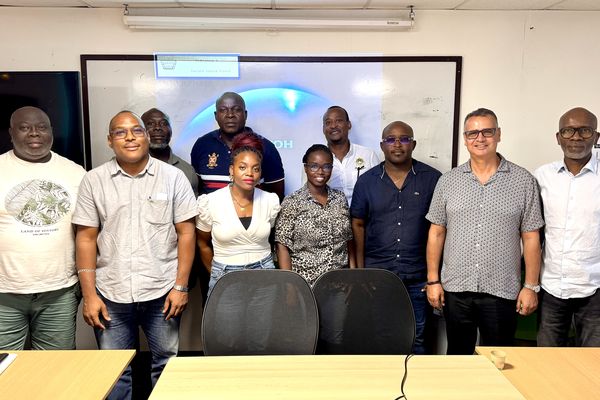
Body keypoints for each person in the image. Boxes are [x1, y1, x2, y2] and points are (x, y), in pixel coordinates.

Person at [72, 110, 197, 399]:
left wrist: (180, 287)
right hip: (110, 293)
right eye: (120, 132)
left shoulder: (173, 177)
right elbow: (86, 238)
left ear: (145, 136)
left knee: (167, 364)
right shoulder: (94, 181)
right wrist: (90, 296)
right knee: (114, 369)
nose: (130, 137)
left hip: (161, 291)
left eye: (136, 131)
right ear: (109, 140)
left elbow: (187, 233)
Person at [425, 108, 544, 355]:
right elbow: (436, 233)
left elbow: (532, 237)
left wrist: (531, 286)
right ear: (465, 139)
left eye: (487, 132)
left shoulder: (523, 181)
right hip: (456, 288)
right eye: (472, 133)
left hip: (501, 289)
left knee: (499, 359)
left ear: (498, 134)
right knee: (458, 355)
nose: (480, 138)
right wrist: (433, 280)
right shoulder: (448, 181)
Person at [351, 121, 441, 354]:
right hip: (378, 275)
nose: (398, 144)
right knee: (380, 336)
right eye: (391, 139)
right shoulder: (367, 181)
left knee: (418, 338)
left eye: (404, 139)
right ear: (382, 145)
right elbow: (358, 224)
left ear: (413, 144)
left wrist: (435, 277)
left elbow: (440, 229)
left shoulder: (432, 179)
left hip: (418, 277)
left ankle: (415, 389)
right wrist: (362, 272)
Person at [0, 106, 86, 350]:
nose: (34, 133)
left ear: (51, 131)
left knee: (55, 369)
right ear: (11, 132)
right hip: (4, 293)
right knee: (4, 369)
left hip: (59, 292)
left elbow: (87, 232)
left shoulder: (75, 172)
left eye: (41, 127)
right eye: (25, 128)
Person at [196, 132, 280, 352]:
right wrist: (216, 271)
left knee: (260, 340)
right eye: (242, 167)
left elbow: (271, 238)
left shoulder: (270, 201)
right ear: (231, 170)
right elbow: (203, 243)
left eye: (255, 168)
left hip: (264, 275)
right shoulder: (210, 202)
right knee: (227, 341)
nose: (249, 173)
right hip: (225, 275)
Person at [535, 107, 600, 347]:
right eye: (568, 130)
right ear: (558, 137)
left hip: (595, 289)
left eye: (585, 130)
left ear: (596, 136)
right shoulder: (542, 176)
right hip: (552, 286)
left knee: (593, 366)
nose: (576, 137)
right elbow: (532, 232)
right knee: (548, 363)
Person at [276, 144, 355, 285]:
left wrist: (353, 278)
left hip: (339, 283)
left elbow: (348, 242)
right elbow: (282, 246)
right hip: (306, 283)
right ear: (306, 168)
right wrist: (290, 287)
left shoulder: (340, 199)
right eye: (314, 166)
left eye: (326, 166)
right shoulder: (292, 201)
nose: (320, 172)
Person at [190, 92, 285, 201]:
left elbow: (277, 195)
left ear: (245, 114)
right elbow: (196, 189)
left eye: (236, 109)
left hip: (253, 216)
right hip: (210, 216)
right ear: (216, 116)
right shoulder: (202, 144)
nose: (230, 115)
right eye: (223, 110)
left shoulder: (265, 147)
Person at [302, 106, 380, 205]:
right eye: (328, 122)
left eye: (338, 121)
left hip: (364, 218)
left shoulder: (368, 155)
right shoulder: (313, 159)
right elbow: (306, 195)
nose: (333, 126)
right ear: (323, 129)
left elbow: (379, 193)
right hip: (328, 218)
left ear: (349, 124)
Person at [141, 107, 199, 196]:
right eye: (150, 124)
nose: (157, 128)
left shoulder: (186, 171)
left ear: (171, 131)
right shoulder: (132, 167)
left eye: (163, 123)